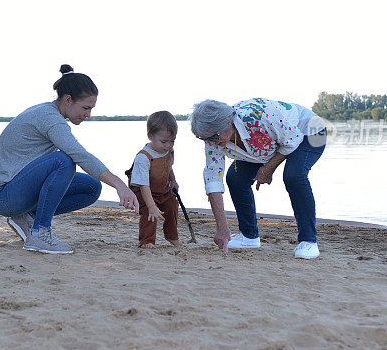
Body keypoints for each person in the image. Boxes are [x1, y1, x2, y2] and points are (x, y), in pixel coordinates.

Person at [0, 64, 140, 254]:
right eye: (85, 108)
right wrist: (120, 185)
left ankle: (27, 217)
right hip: (3, 195)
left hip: (11, 190)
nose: (89, 114)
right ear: (68, 100)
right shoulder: (51, 119)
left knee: (91, 187)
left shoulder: (50, 112)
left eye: (91, 108)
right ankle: (40, 233)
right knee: (64, 162)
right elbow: (80, 155)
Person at [190, 98, 327, 258]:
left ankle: (309, 241)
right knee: (235, 178)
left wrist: (267, 169)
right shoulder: (213, 138)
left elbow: (292, 140)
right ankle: (249, 237)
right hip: (271, 142)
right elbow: (213, 180)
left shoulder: (261, 116)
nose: (210, 144)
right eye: (204, 139)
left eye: (213, 138)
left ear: (228, 123)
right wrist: (222, 228)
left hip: (309, 131)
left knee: (294, 175)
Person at [125, 111, 181, 249]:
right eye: (163, 141)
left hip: (162, 189)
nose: (168, 145)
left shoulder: (168, 151)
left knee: (172, 206)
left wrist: (173, 181)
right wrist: (152, 206)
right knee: (150, 213)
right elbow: (143, 185)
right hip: (143, 191)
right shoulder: (143, 157)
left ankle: (172, 236)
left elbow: (169, 167)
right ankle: (146, 241)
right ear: (150, 136)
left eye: (172, 141)